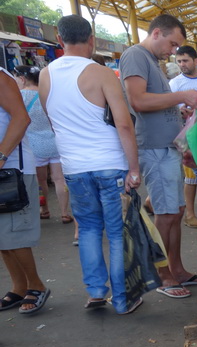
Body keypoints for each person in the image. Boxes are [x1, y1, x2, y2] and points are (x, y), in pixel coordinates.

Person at [40, 14, 142, 313]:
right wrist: (134, 168)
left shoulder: (46, 75)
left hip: (74, 166)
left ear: (59, 40)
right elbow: (124, 125)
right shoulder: (100, 74)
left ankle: (96, 291)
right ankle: (123, 300)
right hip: (110, 163)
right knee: (116, 232)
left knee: (87, 230)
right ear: (91, 39)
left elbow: (53, 120)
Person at [120, 13, 197, 299]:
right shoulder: (136, 56)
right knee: (166, 213)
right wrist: (182, 98)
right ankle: (163, 274)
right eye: (172, 44)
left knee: (177, 211)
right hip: (153, 148)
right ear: (157, 33)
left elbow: (154, 101)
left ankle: (177, 269)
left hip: (165, 146)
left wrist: (177, 112)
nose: (173, 52)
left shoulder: (151, 62)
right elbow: (138, 100)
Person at [0, 63, 50, 314]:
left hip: (12, 170)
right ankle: (19, 286)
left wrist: (0, 156)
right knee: (2, 238)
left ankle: (37, 285)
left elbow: (21, 118)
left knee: (15, 234)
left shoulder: (1, 77)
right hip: (5, 168)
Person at [14, 66, 72, 225]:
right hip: (55, 142)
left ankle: (44, 209)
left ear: (23, 79)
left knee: (41, 181)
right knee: (60, 179)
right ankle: (64, 213)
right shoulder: (49, 93)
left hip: (34, 145)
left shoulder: (20, 96)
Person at [169, 44, 197, 229]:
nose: (182, 65)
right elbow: (169, 105)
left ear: (195, 61)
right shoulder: (175, 83)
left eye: (185, 61)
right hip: (186, 136)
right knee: (191, 177)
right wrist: (180, 109)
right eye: (179, 61)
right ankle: (190, 214)